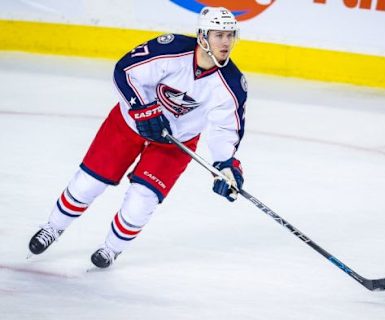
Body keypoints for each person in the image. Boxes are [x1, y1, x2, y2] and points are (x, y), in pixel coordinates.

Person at [28, 6, 247, 269]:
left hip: (175, 144)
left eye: (230, 35)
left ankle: (111, 249)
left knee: (141, 201)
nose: (226, 42)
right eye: (219, 35)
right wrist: (144, 110)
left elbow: (225, 130)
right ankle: (53, 227)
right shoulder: (171, 49)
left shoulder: (233, 84)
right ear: (202, 36)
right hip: (127, 125)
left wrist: (225, 166)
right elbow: (125, 70)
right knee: (88, 184)